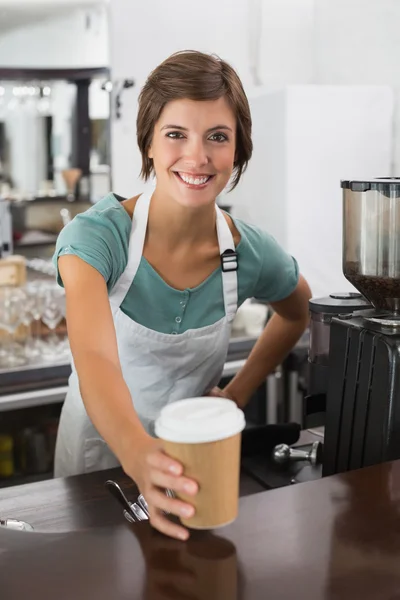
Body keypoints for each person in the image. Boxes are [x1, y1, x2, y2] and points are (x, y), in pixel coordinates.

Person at [53, 50, 311, 540]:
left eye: (218, 136)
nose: (197, 157)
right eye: (176, 135)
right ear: (148, 142)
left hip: (194, 460)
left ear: (238, 150)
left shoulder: (248, 251)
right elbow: (95, 360)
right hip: (96, 461)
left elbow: (296, 313)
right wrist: (137, 454)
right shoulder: (95, 240)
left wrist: (237, 395)